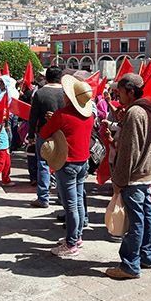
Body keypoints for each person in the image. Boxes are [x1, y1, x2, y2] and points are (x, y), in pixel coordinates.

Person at [106, 74, 151, 280]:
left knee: (134, 222)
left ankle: (129, 265)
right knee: (145, 217)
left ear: (130, 91)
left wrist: (118, 181)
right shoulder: (149, 108)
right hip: (146, 173)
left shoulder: (135, 112)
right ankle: (146, 256)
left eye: (119, 91)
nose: (117, 95)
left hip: (135, 176)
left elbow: (129, 151)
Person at [39, 75, 94, 257]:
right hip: (83, 162)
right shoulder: (90, 116)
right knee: (77, 201)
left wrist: (51, 120)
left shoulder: (62, 115)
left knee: (70, 205)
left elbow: (45, 132)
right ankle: (76, 237)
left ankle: (71, 244)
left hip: (67, 163)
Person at [27, 66, 65, 208]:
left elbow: (33, 117)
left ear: (46, 78)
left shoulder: (40, 93)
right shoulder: (66, 92)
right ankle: (62, 196)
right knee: (62, 163)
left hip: (44, 132)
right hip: (62, 134)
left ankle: (43, 197)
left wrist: (30, 135)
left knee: (43, 164)